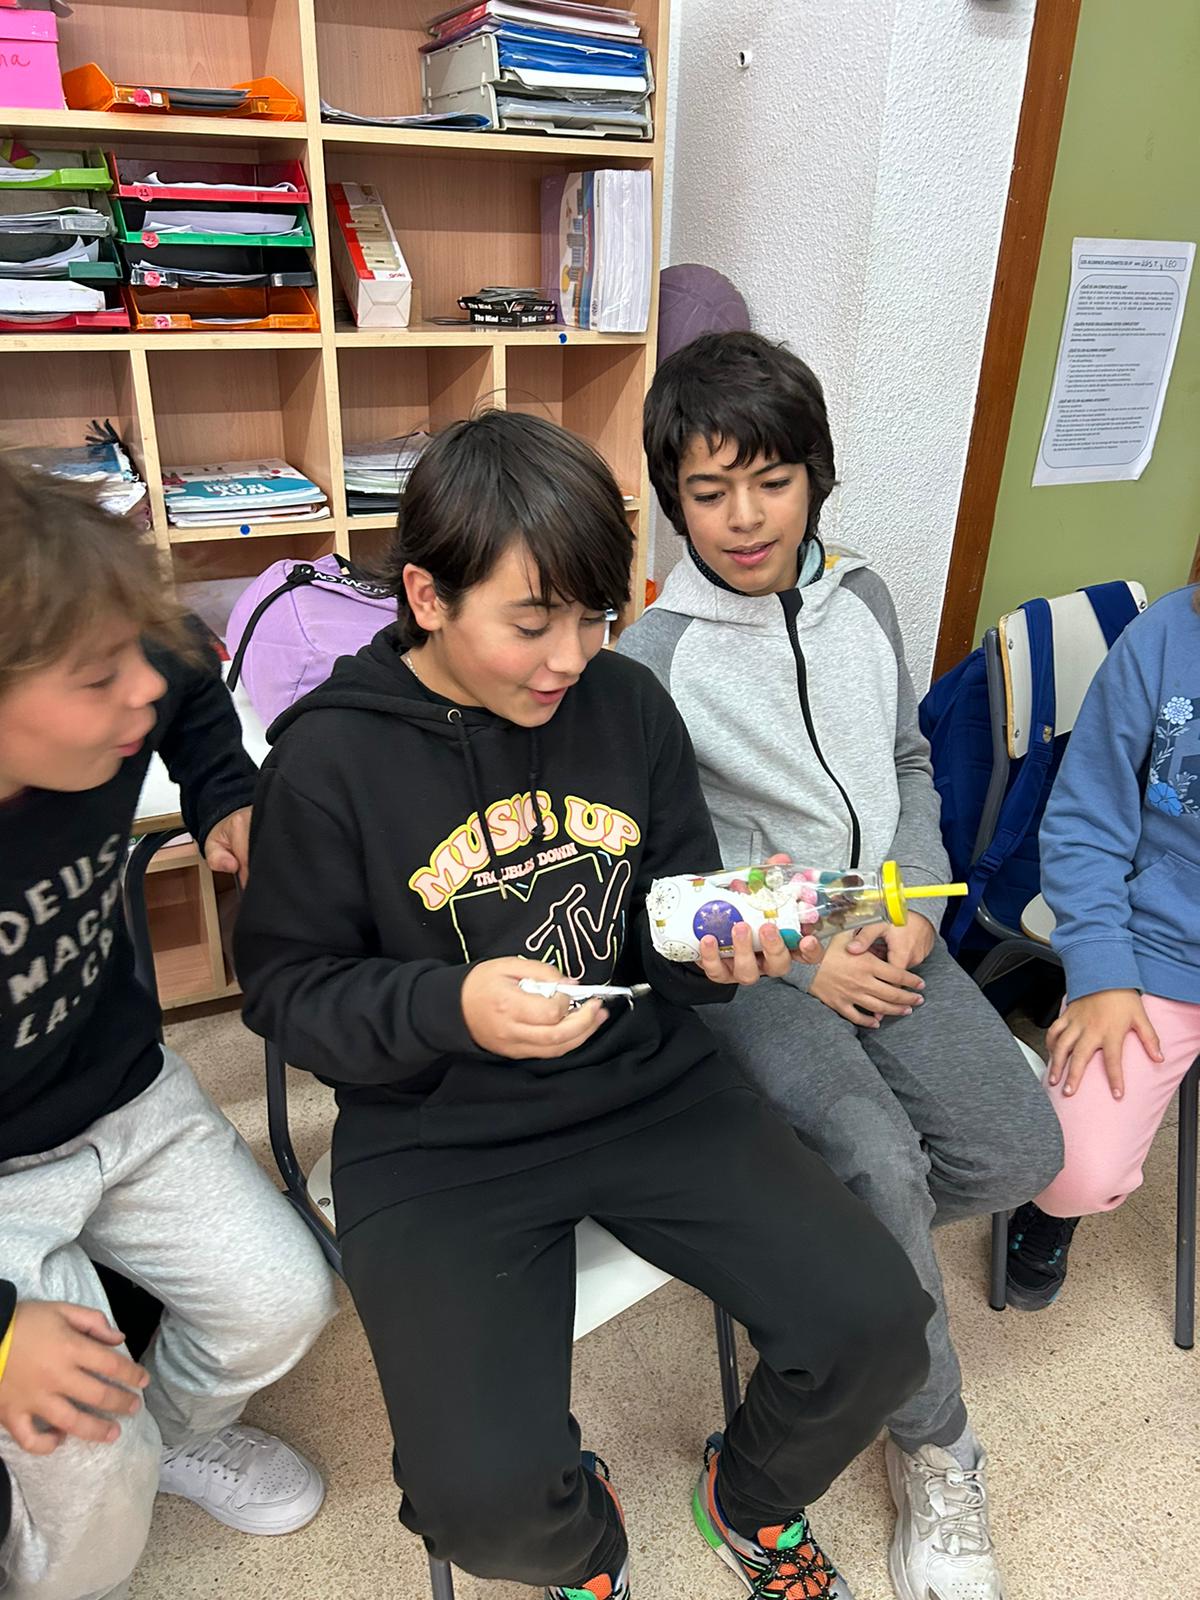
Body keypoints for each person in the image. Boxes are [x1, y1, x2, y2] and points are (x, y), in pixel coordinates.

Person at [234, 409, 934, 1600]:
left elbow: (663, 915)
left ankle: (747, 1497)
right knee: (485, 1511)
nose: (570, 656)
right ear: (426, 595)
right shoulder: (328, 761)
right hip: (437, 1132)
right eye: (533, 621)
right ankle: (586, 1549)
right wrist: (451, 1005)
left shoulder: (627, 705)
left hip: (648, 1087)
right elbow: (288, 993)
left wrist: (726, 939)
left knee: (876, 1328)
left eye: (596, 616)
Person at [618, 331, 1064, 1600]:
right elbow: (661, 884)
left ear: (815, 474)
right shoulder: (652, 662)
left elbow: (910, 760)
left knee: (1023, 1150)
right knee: (878, 1156)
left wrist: (914, 898)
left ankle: (839, 1273)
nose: (745, 516)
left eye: (771, 480)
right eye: (709, 491)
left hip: (889, 920)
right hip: (763, 965)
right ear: (674, 500)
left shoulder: (862, 594)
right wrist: (806, 956)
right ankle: (937, 1440)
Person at [0, 461, 338, 1600]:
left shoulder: (119, 690)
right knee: (81, 1460)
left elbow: (184, 669)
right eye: (98, 678)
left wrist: (222, 791)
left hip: (120, 1091)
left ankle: (179, 1439)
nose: (136, 690)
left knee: (282, 1300)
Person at [1005, 585, 1200, 1309]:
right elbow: (1085, 822)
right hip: (1159, 945)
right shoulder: (1165, 634)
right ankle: (1051, 1213)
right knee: (1072, 1172)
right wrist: (1102, 970)